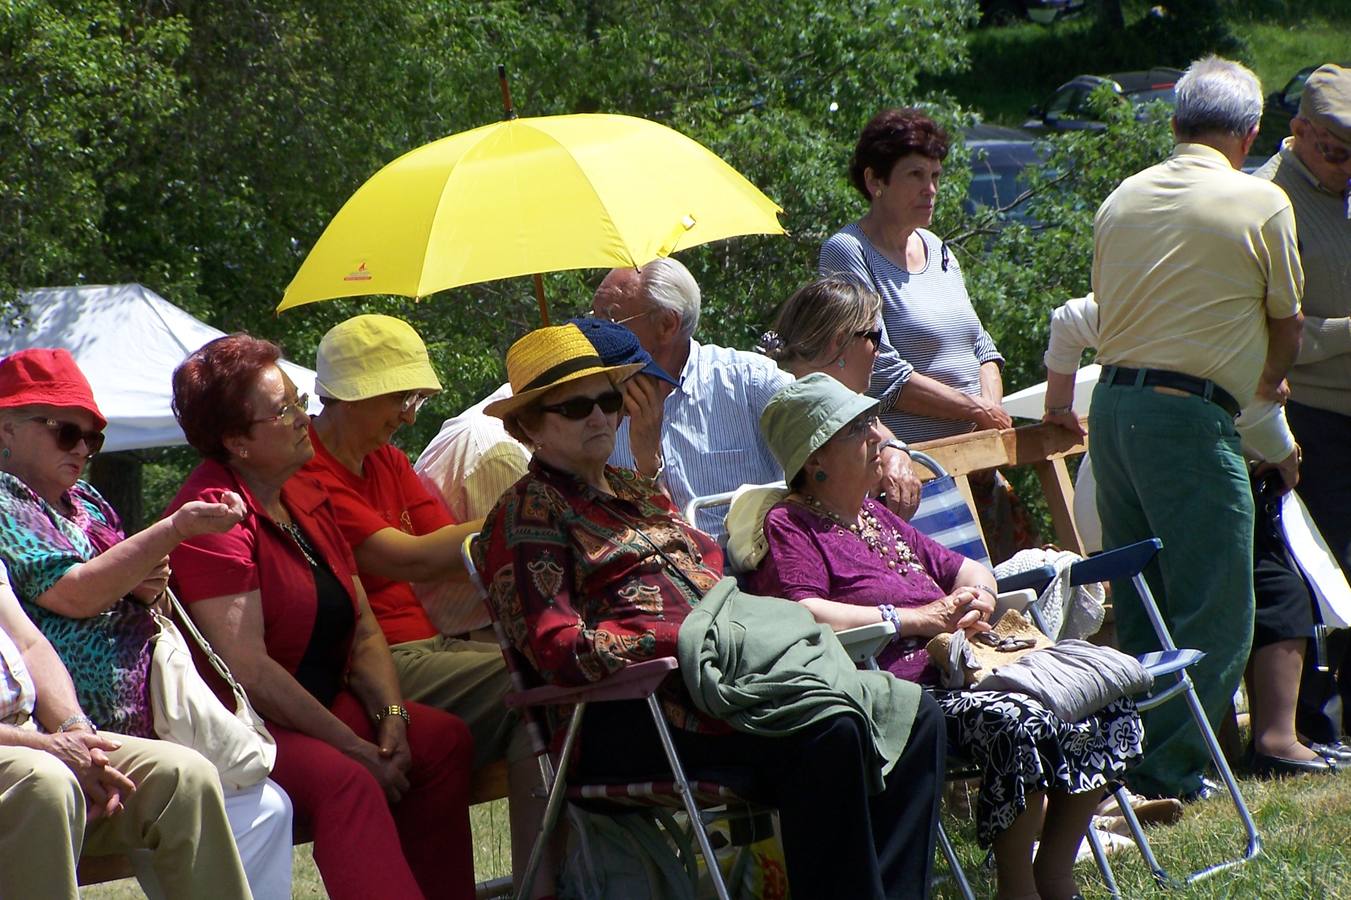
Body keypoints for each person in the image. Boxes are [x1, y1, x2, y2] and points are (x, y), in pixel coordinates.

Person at [473, 324, 946, 900]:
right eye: (574, 407)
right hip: (634, 713)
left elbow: (713, 575)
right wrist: (682, 643)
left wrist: (724, 637)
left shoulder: (641, 492)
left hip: (727, 680)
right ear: (528, 427)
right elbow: (556, 646)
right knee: (831, 731)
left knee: (915, 714)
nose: (599, 417)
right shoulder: (527, 512)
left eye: (607, 399)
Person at [749, 373, 1143, 900]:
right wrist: (916, 619)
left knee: (1099, 700)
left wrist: (978, 596)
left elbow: (966, 569)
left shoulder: (873, 516)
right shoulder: (789, 527)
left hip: (967, 666)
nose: (876, 438)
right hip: (901, 690)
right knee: (1020, 720)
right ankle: (1017, 886)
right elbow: (803, 612)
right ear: (816, 459)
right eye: (858, 428)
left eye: (872, 422)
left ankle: (1055, 870)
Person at [166, 334, 475, 900]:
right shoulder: (209, 519)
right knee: (348, 781)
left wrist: (392, 716)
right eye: (284, 410)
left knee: (443, 742)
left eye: (298, 399)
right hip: (250, 729)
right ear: (236, 441)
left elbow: (361, 625)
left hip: (319, 707)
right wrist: (357, 747)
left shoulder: (304, 495)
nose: (303, 417)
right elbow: (250, 673)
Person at [1083, 55, 1304, 802]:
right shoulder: (1260, 201)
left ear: (1174, 124)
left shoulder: (1119, 197)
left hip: (1110, 412)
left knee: (1143, 604)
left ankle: (1127, 758)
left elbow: (1107, 311)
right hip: (1188, 416)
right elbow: (1287, 321)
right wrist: (1270, 382)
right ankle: (1164, 770)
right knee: (1216, 608)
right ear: (1248, 135)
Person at [0, 347, 293, 898]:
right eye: (67, 432)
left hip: (121, 722)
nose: (84, 449)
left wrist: (143, 574)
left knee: (262, 805)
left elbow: (121, 583)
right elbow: (75, 593)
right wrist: (173, 530)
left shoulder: (82, 498)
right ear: (6, 431)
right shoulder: (4, 499)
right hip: (45, 732)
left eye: (94, 438)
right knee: (49, 785)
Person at [1043, 294, 1335, 777]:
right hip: (1167, 486)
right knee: (1223, 604)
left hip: (1117, 483)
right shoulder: (1226, 319)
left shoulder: (1153, 303)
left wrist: (1058, 402)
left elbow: (1068, 320)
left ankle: (1214, 751)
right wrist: (1284, 451)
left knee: (1185, 607)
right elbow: (1255, 412)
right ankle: (1189, 760)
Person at [819, 109, 1036, 562]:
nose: (931, 188)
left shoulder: (937, 248)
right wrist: (978, 409)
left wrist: (988, 411)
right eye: (915, 174)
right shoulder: (848, 251)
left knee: (1020, 599)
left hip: (978, 461)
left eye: (935, 174)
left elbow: (983, 347)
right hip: (913, 475)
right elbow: (879, 369)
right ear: (875, 181)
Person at [593, 257, 915, 538]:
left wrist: (892, 451)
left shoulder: (745, 379)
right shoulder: (597, 406)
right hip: (668, 581)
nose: (593, 334)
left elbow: (834, 416)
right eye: (590, 318)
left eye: (609, 319)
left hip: (761, 573)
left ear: (667, 324)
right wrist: (647, 460)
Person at [0, 560, 252, 900]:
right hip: (22, 752)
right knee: (44, 782)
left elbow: (31, 646)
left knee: (184, 776)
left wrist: (78, 734)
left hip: (34, 732)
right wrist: (46, 747)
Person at [1253, 63, 1351, 764]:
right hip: (1311, 418)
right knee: (1320, 571)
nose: (1346, 168)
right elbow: (1268, 333)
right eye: (1336, 152)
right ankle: (1311, 725)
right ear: (1297, 131)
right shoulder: (1262, 200)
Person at [759, 275, 923, 519]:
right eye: (875, 339)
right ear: (839, 341)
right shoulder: (788, 404)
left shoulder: (823, 403)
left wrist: (894, 449)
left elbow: (871, 424)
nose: (878, 353)